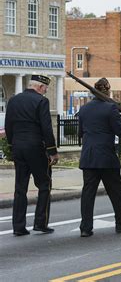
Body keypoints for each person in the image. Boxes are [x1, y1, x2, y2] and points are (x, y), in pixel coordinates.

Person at [78, 78, 121, 237]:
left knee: (88, 194)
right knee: (115, 192)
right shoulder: (111, 108)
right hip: (106, 157)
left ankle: (85, 228)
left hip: (89, 156)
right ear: (107, 91)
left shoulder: (84, 109)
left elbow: (80, 134)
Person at [5, 75, 59, 236]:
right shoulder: (41, 101)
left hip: (18, 146)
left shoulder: (14, 100)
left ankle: (18, 226)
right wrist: (52, 151)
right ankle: (40, 223)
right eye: (46, 89)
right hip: (35, 147)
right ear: (40, 87)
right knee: (44, 184)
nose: (46, 91)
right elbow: (46, 128)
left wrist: (11, 145)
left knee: (20, 187)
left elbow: (8, 125)